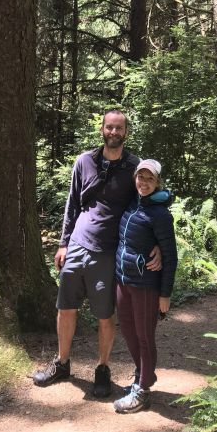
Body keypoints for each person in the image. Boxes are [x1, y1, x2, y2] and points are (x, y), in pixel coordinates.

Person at [32, 109, 161, 398]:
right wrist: (64, 243)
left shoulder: (135, 166)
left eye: (119, 128)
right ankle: (62, 363)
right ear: (101, 129)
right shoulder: (84, 162)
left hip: (107, 252)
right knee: (66, 308)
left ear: (126, 132)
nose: (114, 132)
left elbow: (149, 204)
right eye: (109, 127)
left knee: (105, 314)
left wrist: (156, 243)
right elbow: (72, 204)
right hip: (78, 244)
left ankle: (102, 368)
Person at [113, 158, 177, 414]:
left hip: (146, 285)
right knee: (128, 332)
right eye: (141, 177)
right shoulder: (132, 203)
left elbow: (170, 256)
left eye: (150, 179)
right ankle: (141, 374)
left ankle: (143, 390)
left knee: (144, 336)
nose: (144, 182)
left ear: (157, 182)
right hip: (123, 280)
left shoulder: (160, 214)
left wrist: (165, 295)